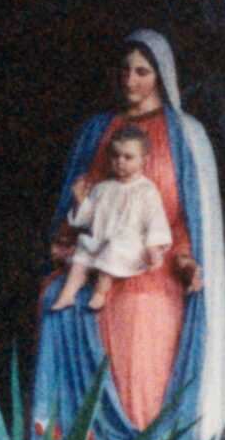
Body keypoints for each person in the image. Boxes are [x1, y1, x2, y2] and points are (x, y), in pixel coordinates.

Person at [31, 31, 225, 440]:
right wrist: (65, 241)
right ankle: (71, 438)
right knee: (55, 296)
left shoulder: (185, 135)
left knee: (142, 307)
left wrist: (186, 260)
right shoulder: (97, 130)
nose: (131, 80)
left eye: (142, 71)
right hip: (98, 252)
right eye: (125, 70)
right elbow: (80, 199)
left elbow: (188, 217)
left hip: (155, 262)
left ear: (161, 76)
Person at [50, 126, 170, 313]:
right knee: (83, 248)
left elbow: (155, 220)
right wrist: (80, 201)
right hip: (102, 241)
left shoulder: (147, 191)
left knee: (114, 246)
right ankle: (68, 293)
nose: (120, 162)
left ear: (144, 160)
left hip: (130, 248)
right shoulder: (103, 188)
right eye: (115, 155)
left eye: (128, 157)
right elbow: (88, 219)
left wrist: (153, 248)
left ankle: (100, 291)